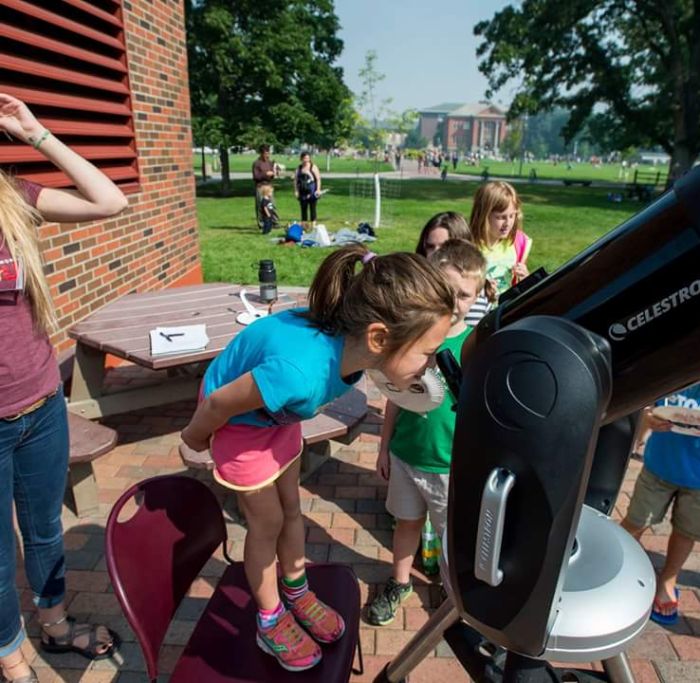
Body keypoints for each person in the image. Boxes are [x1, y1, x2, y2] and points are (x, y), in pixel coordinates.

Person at [180, 245, 454, 672]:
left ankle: (295, 588)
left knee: (292, 509)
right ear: (379, 338)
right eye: (427, 352)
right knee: (266, 523)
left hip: (274, 418)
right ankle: (268, 620)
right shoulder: (300, 372)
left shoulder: (353, 359)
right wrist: (195, 437)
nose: (432, 363)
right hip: (238, 425)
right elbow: (219, 402)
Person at [0, 93, 128, 682]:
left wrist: (36, 133)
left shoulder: (11, 196)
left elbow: (110, 201)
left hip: (41, 403)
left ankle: (53, 623)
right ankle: (9, 653)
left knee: (46, 524)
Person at [368, 239, 485, 626]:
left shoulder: (474, 345)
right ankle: (400, 582)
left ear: (479, 294)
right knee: (407, 523)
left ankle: (455, 597)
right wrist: (384, 448)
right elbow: (393, 396)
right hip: (405, 455)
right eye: (446, 289)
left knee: (453, 537)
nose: (454, 302)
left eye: (464, 295)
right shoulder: (411, 335)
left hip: (449, 465)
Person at [621, 383, 700, 625]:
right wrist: (647, 422)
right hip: (658, 468)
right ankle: (620, 567)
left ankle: (669, 577)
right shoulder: (677, 370)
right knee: (635, 522)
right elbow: (648, 409)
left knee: (686, 531)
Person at [469, 180, 532, 297]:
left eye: (512, 216)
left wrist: (525, 279)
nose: (508, 223)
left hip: (507, 311)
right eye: (501, 217)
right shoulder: (468, 246)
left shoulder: (516, 244)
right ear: (483, 215)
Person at [293, 152, 321, 227]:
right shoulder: (299, 168)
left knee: (313, 208)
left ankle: (313, 225)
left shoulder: (313, 167)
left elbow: (318, 179)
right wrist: (296, 191)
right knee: (303, 208)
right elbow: (295, 180)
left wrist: (318, 189)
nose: (306, 160)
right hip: (302, 191)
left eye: (308, 158)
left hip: (312, 190)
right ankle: (304, 226)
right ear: (301, 159)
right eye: (304, 158)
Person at [252, 144, 276, 229]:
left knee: (272, 204)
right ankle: (262, 223)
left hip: (269, 185)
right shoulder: (256, 163)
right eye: (266, 153)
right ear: (261, 153)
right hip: (260, 186)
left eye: (268, 153)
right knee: (261, 205)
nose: (267, 155)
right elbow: (256, 176)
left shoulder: (269, 162)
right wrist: (265, 174)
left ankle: (274, 222)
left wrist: (273, 173)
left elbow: (272, 174)